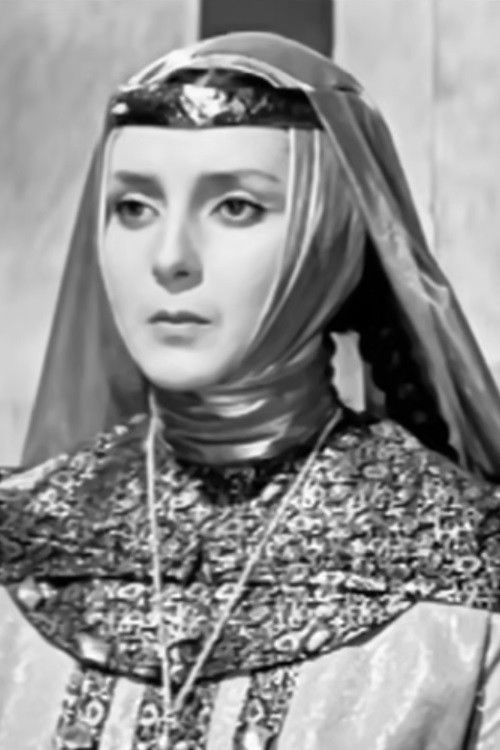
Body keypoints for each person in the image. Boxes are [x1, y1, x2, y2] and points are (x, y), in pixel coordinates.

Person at [2, 30, 500, 750]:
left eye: (236, 206)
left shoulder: (468, 571)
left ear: (334, 234)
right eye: (134, 206)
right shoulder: (21, 536)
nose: (170, 257)